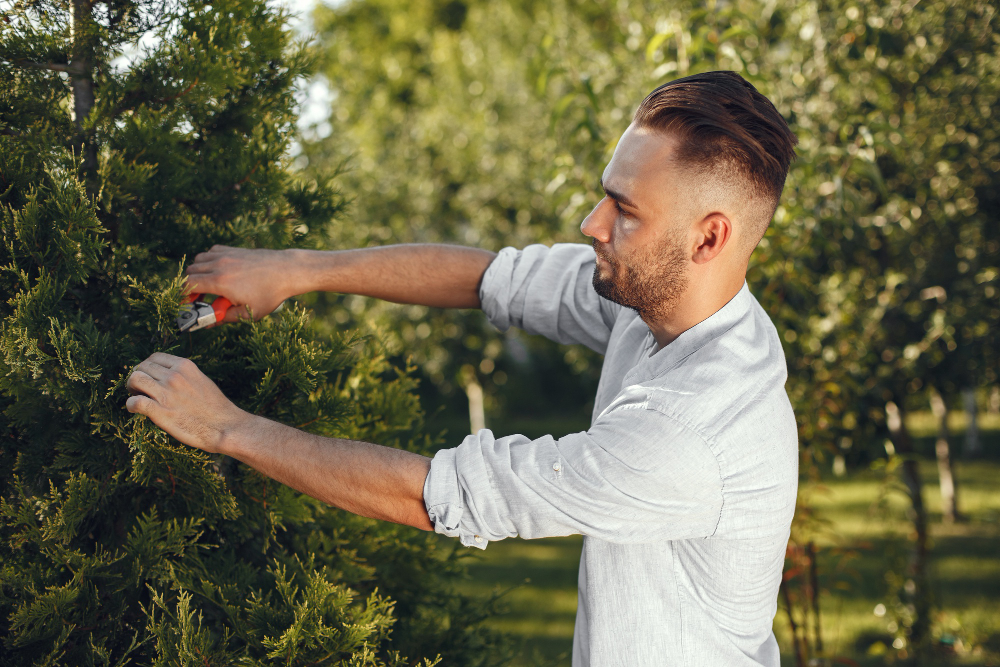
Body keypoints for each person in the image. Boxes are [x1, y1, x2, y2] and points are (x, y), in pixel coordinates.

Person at [126, 70, 800, 666]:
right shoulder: (661, 302)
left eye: (625, 210)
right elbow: (489, 277)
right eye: (606, 196)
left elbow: (438, 495)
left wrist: (224, 428)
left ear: (708, 236)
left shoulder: (691, 433)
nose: (592, 222)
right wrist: (297, 271)